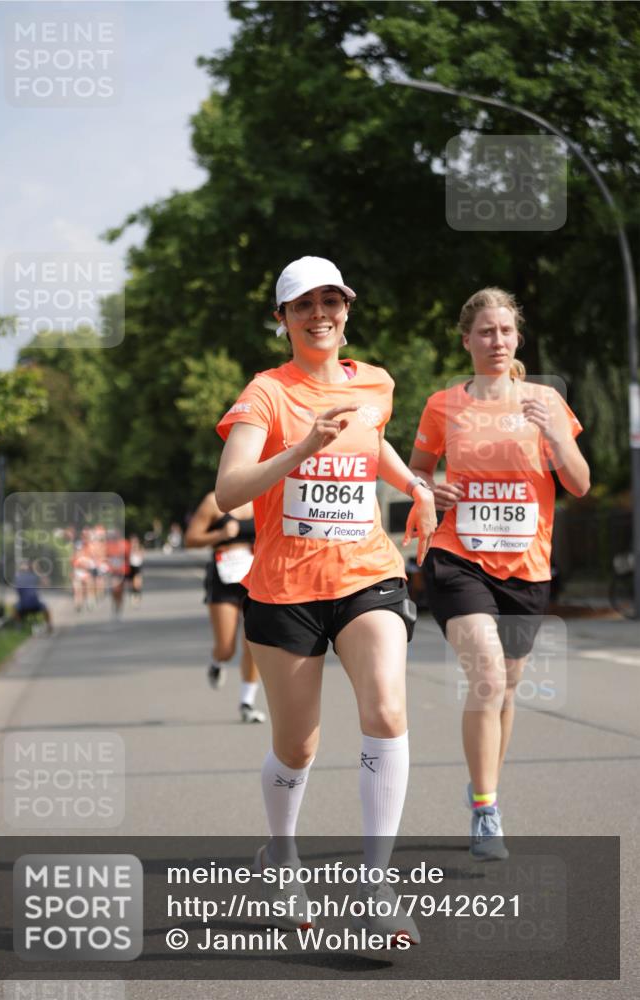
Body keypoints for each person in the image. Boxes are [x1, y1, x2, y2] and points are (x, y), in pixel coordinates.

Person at [215, 256, 437, 944]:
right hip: (286, 588)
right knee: (297, 746)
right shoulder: (265, 394)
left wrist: (416, 486)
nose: (320, 315)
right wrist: (300, 447)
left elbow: (372, 446)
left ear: (347, 310)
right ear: (280, 318)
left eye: (330, 302)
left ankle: (376, 887)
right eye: (303, 305)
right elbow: (230, 490)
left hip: (368, 573)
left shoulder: (374, 382)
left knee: (386, 707)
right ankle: (281, 855)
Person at [409, 287, 590, 860]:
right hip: (458, 557)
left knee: (506, 689)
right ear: (467, 340)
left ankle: (484, 785)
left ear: (517, 338)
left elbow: (580, 484)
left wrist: (558, 436)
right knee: (487, 675)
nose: (497, 341)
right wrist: (428, 486)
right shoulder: (443, 406)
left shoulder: (545, 401)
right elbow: (417, 471)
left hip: (526, 566)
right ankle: (486, 809)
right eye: (485, 332)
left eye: (505, 331)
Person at [185, 494, 266, 723]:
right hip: (224, 578)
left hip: (255, 574)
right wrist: (220, 534)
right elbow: (190, 539)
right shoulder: (214, 501)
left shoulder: (263, 494)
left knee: (254, 641)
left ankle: (247, 703)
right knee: (226, 647)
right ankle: (217, 661)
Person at [13, 561, 53, 633]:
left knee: (15, 608)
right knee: (46, 608)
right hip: (34, 604)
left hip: (24, 605)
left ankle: (18, 626)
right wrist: (39, 571)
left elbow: (17, 591)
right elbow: (46, 583)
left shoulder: (18, 578)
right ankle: (49, 625)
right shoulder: (33, 576)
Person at [128, 534, 144, 605]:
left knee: (138, 582)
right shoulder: (129, 548)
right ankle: (134, 594)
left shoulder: (140, 548)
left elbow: (141, 556)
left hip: (138, 566)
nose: (134, 543)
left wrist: (136, 549)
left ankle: (138, 594)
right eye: (133, 541)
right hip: (131, 566)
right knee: (132, 583)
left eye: (135, 541)